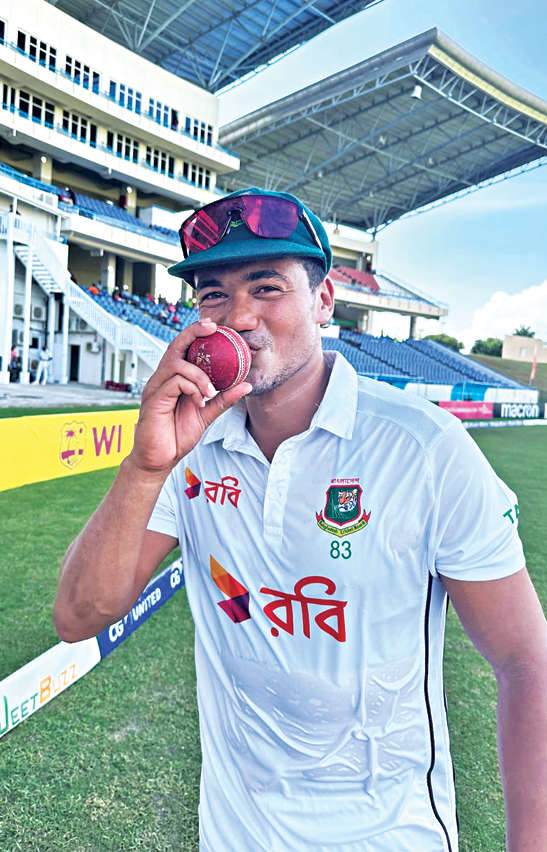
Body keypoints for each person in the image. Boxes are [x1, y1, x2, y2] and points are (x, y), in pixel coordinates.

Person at [54, 187, 547, 851]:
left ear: (323, 301)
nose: (239, 318)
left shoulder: (423, 449)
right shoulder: (189, 447)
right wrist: (146, 468)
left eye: (267, 287)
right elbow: (78, 617)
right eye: (213, 296)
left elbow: (524, 659)